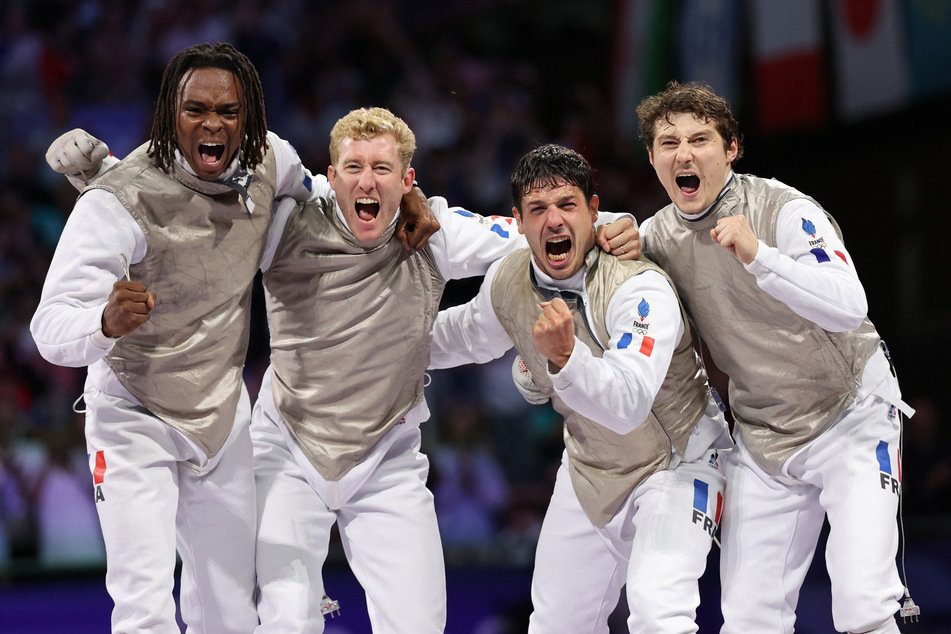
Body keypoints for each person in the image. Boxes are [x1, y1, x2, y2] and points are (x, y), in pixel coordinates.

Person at [30, 43, 437, 634]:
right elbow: (49, 327)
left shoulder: (273, 160)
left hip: (222, 419)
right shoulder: (117, 199)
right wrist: (102, 324)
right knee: (143, 606)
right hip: (133, 413)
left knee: (227, 617)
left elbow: (334, 201)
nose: (213, 124)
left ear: (249, 120)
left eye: (228, 112)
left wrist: (408, 198)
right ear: (172, 113)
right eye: (196, 110)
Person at [252, 109, 641, 632]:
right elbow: (228, 170)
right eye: (354, 167)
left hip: (385, 459)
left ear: (408, 179)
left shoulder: (435, 232)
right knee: (285, 618)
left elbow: (541, 228)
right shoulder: (284, 221)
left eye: (383, 169)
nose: (366, 180)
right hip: (287, 448)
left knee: (420, 623)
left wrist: (614, 227)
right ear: (331, 174)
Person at [634, 80, 917, 634]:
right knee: (748, 619)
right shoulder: (653, 238)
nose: (684, 154)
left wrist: (758, 255)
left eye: (700, 139)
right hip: (763, 437)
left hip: (851, 413)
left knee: (864, 603)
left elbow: (849, 303)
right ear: (652, 157)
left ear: (732, 148)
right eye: (668, 143)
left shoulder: (782, 208)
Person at [428, 143, 732, 633]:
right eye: (538, 209)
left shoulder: (638, 285)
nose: (553, 221)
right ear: (518, 222)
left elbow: (630, 402)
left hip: (677, 463)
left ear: (594, 211)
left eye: (568, 205)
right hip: (590, 468)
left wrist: (566, 360)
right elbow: (459, 336)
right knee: (554, 624)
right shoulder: (508, 279)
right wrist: (375, 343)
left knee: (658, 614)